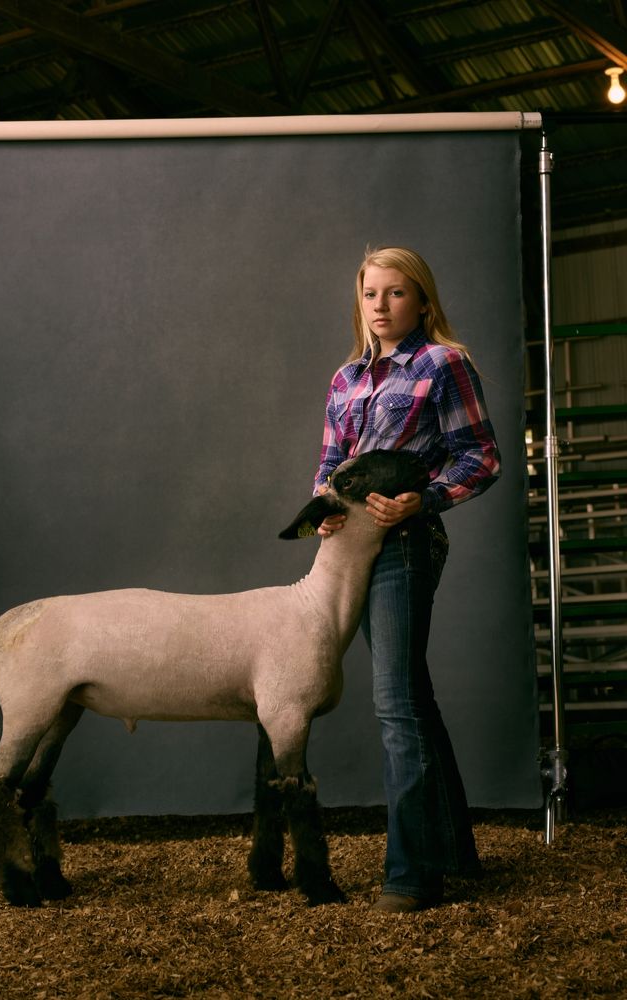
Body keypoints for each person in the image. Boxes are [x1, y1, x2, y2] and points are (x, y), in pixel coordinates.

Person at [314, 246, 500, 913]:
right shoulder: (345, 378)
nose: (382, 307)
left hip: (407, 543)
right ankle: (453, 850)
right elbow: (330, 464)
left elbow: (481, 456)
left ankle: (411, 875)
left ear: (422, 301)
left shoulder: (444, 363)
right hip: (350, 551)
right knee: (412, 698)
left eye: (397, 294)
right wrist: (326, 511)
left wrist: (426, 499)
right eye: (371, 294)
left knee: (394, 703)